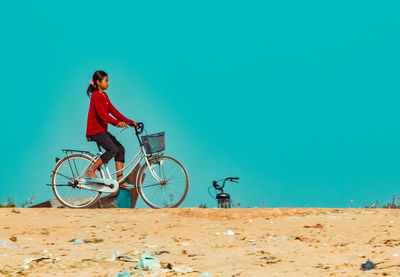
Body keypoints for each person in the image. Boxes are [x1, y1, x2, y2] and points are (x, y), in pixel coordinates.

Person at [85, 70, 138, 188]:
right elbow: (103, 115)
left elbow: (113, 111)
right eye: (106, 81)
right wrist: (117, 123)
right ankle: (91, 170)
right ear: (98, 82)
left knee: (120, 149)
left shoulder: (104, 95)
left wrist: (130, 122)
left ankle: (119, 180)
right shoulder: (96, 96)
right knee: (112, 150)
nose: (108, 83)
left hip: (102, 131)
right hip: (95, 131)